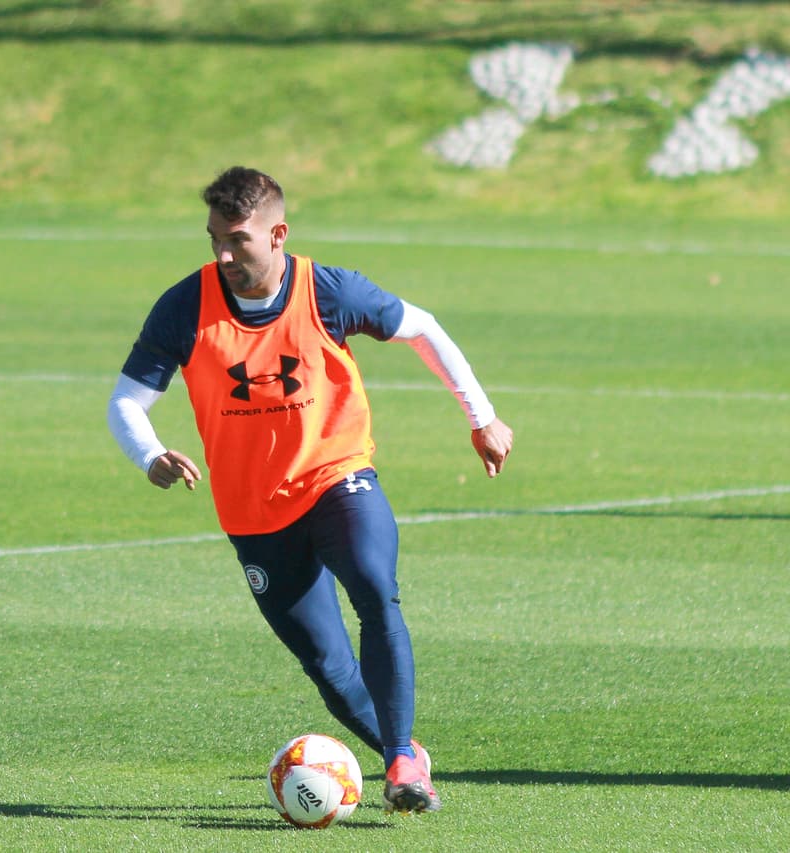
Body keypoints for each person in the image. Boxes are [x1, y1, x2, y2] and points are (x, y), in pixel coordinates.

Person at [108, 166, 513, 814]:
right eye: (214, 238)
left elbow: (422, 327)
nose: (223, 254)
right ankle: (401, 750)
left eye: (237, 239)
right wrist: (149, 453)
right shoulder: (185, 305)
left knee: (375, 586)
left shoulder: (327, 290)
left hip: (335, 476)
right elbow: (126, 401)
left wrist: (482, 415)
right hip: (253, 512)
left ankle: (403, 759)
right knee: (327, 667)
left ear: (278, 233)